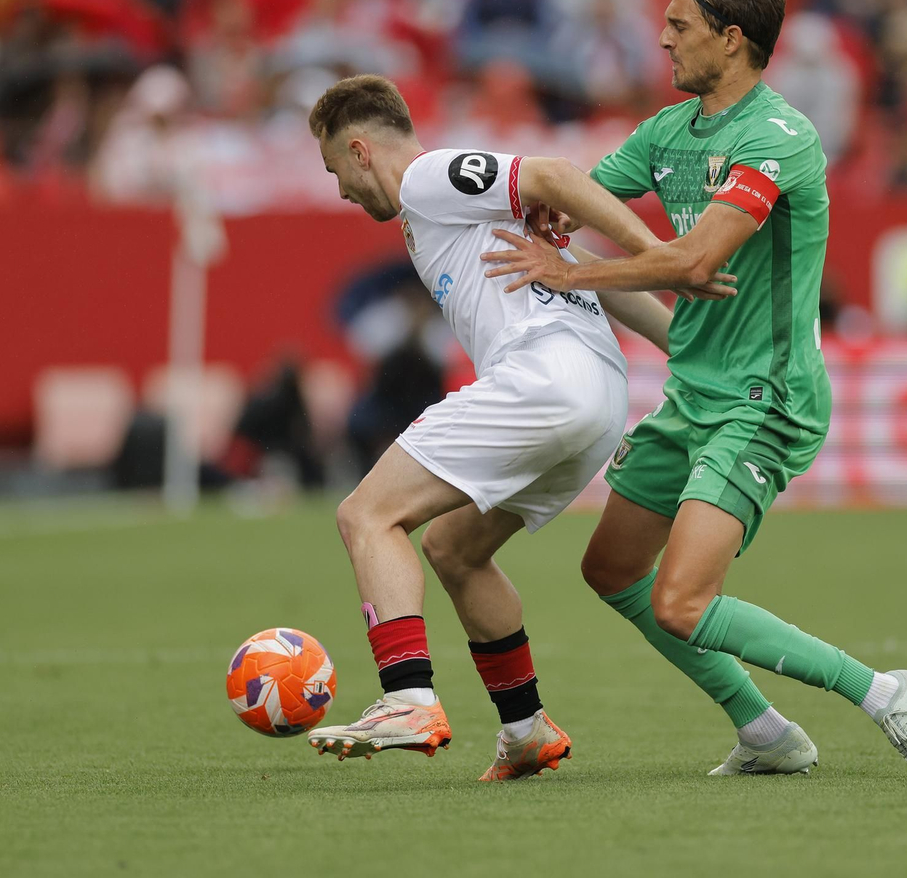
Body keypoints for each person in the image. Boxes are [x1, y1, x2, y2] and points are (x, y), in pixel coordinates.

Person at [481, 0, 907, 780]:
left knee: (680, 600)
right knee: (611, 568)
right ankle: (765, 731)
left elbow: (696, 257)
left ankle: (887, 692)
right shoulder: (669, 131)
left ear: (731, 40)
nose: (661, 42)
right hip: (693, 392)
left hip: (766, 398)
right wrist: (540, 209)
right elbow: (581, 201)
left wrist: (572, 271)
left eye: (679, 27)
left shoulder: (780, 137)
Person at [300, 73, 706, 779]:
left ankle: (408, 697)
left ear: (361, 150)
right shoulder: (469, 212)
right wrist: (688, 350)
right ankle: (525, 728)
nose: (340, 189)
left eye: (336, 170)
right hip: (597, 399)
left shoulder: (427, 177)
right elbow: (584, 266)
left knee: (366, 515)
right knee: (455, 547)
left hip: (544, 379)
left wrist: (662, 254)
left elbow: (554, 174)